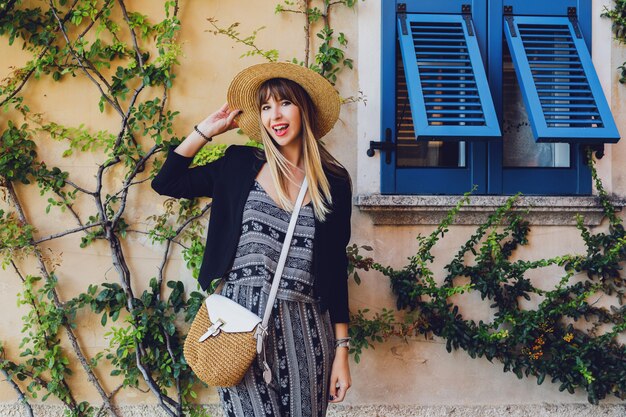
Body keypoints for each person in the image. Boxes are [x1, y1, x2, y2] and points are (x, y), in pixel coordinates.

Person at [151, 62, 353, 417]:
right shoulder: (239, 164)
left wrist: (342, 352)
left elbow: (336, 268)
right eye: (265, 107)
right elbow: (167, 183)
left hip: (305, 327)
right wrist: (205, 131)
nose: (275, 115)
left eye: (285, 103)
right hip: (238, 325)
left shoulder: (333, 182)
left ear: (303, 109)